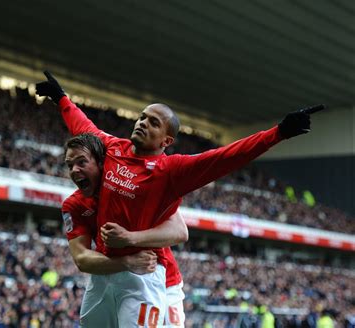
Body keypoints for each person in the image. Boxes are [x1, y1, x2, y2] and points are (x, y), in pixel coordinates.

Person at [37, 71, 323, 327]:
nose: (142, 123)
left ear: (166, 141)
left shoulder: (171, 171)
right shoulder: (113, 148)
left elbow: (227, 157)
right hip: (104, 271)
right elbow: (82, 126)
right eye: (142, 117)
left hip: (143, 273)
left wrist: (279, 133)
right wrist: (61, 99)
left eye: (153, 122)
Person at [62, 133, 187, 327]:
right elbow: (81, 258)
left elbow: (180, 232)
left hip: (160, 278)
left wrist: (130, 238)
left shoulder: (133, 184)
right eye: (70, 165)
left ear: (102, 163)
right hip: (112, 273)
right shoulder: (75, 205)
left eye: (81, 162)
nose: (74, 170)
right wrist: (127, 262)